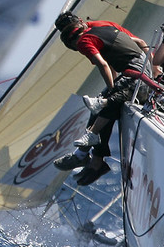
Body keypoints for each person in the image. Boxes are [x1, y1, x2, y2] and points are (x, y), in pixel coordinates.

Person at [51, 11, 151, 186]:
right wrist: (154, 69)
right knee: (99, 106)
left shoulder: (84, 41)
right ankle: (87, 157)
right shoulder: (102, 25)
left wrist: (113, 91)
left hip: (137, 76)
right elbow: (139, 43)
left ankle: (91, 158)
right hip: (141, 70)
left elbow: (103, 65)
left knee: (105, 105)